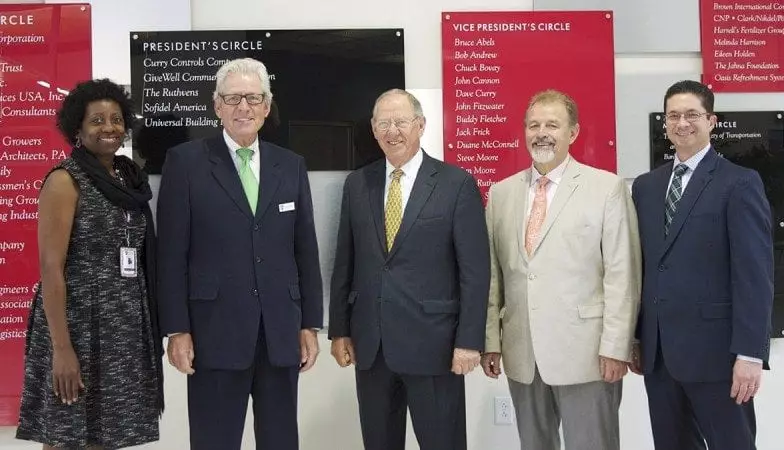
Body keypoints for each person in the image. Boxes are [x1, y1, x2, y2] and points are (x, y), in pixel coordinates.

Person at [157, 57, 323, 450]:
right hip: (214, 332)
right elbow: (171, 254)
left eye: (252, 98)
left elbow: (305, 249)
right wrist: (177, 329)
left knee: (281, 440)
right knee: (215, 441)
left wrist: (310, 323)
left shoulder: (291, 165)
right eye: (232, 98)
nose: (243, 107)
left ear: (267, 106)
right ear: (217, 106)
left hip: (280, 332)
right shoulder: (185, 163)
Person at [328, 89, 490, 450]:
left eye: (401, 121)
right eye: (383, 122)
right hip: (372, 347)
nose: (392, 130)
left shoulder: (456, 184)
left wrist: (469, 341)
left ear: (420, 125)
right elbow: (345, 262)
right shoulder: (358, 184)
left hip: (435, 346)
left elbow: (475, 273)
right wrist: (339, 329)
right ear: (373, 129)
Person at [481, 89, 641, 450]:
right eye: (534, 125)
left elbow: (623, 275)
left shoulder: (606, 188)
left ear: (574, 133)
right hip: (523, 353)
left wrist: (616, 347)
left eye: (553, 124)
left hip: (587, 355)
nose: (542, 133)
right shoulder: (501, 194)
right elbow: (494, 279)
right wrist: (491, 341)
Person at [16, 79, 163, 449]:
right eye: (96, 120)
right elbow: (51, 269)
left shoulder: (129, 179)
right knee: (66, 432)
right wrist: (62, 349)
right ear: (77, 129)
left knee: (107, 433)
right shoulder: (65, 181)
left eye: (116, 119)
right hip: (76, 325)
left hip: (123, 326)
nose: (109, 127)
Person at [629, 80, 773, 450]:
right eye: (673, 115)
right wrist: (636, 337)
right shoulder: (645, 187)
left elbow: (754, 276)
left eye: (692, 114)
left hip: (718, 356)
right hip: (659, 355)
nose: (682, 123)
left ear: (711, 121)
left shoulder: (739, 183)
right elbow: (644, 267)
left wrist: (750, 354)